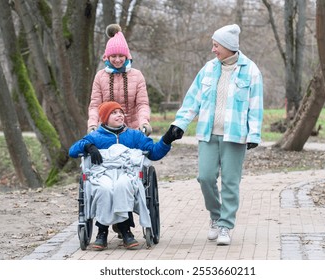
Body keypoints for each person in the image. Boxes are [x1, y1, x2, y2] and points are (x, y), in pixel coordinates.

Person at [171, 24, 263, 246]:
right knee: (205, 177)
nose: (213, 49)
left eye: (216, 45)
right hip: (208, 134)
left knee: (230, 182)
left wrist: (254, 134)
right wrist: (179, 124)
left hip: (235, 136)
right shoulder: (208, 69)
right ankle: (216, 216)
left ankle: (226, 225)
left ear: (229, 47)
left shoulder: (251, 70)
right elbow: (192, 99)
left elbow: (256, 105)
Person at [70, 101, 182, 250]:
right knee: (104, 188)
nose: (120, 115)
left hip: (126, 172)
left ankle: (125, 230)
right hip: (103, 173)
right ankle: (102, 232)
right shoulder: (95, 137)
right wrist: (88, 146)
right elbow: (72, 151)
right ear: (104, 118)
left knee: (122, 185)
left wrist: (168, 138)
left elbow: (154, 152)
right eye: (114, 113)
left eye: (121, 112)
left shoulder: (134, 135)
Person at [87, 24, 152, 135]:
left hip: (133, 130)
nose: (117, 60)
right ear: (107, 57)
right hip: (106, 132)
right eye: (113, 56)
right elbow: (95, 105)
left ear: (126, 56)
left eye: (121, 56)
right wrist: (92, 125)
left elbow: (142, 104)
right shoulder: (100, 76)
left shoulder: (137, 76)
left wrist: (144, 122)